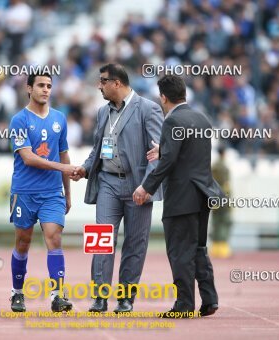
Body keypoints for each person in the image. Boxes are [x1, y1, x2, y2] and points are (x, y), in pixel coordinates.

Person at [71, 63, 164, 313]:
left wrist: (147, 186)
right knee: (101, 240)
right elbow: (98, 149)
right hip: (108, 183)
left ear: (117, 83)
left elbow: (157, 155)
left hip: (139, 186)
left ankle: (125, 298)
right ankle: (100, 297)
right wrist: (85, 168)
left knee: (135, 243)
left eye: (102, 81)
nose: (99, 86)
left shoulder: (149, 109)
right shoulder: (103, 112)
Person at [134, 75, 223, 317]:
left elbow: (169, 162)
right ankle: (209, 298)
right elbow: (190, 152)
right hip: (203, 193)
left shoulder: (172, 122)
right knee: (198, 248)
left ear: (163, 97)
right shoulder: (201, 119)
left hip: (182, 198)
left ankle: (184, 304)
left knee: (180, 251)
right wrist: (165, 148)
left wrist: (146, 187)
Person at [8, 72, 77, 312]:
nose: (46, 89)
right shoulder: (19, 120)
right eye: (40, 85)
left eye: (49, 85)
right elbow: (28, 158)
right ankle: (17, 293)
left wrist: (67, 192)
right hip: (24, 192)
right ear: (29, 89)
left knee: (54, 238)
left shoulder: (60, 118)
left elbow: (64, 153)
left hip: (51, 193)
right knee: (23, 242)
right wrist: (63, 168)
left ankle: (57, 295)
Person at [210, 146, 233, 258]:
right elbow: (226, 186)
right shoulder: (223, 167)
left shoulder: (214, 165)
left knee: (215, 223)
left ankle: (215, 248)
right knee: (224, 223)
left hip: (214, 198)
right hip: (223, 198)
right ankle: (223, 249)